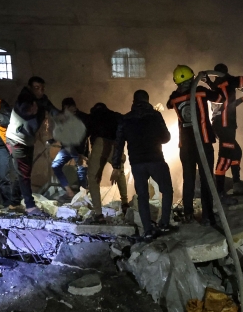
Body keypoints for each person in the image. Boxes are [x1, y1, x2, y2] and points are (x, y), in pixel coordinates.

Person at [112, 90, 173, 238]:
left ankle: (148, 230)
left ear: (134, 101)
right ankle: (164, 224)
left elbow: (118, 143)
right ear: (147, 100)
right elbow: (166, 138)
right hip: (155, 159)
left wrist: (116, 165)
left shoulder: (125, 119)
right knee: (167, 190)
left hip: (137, 163)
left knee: (142, 196)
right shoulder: (155, 115)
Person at [167, 64, 220, 226]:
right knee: (206, 179)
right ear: (192, 79)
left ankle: (188, 213)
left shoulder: (174, 98)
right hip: (202, 142)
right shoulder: (200, 91)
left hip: (185, 145)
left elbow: (169, 104)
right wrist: (209, 81)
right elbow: (220, 98)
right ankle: (207, 215)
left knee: (188, 179)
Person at [207, 63, 243, 201]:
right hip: (225, 125)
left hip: (221, 124)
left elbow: (232, 104)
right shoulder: (226, 81)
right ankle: (220, 192)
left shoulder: (218, 85)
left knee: (236, 152)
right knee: (225, 156)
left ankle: (236, 183)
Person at [85, 102, 129, 219]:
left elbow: (84, 135)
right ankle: (125, 203)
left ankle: (98, 213)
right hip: (115, 145)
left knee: (93, 178)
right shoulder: (115, 116)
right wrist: (121, 154)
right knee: (119, 172)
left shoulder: (93, 117)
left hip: (99, 144)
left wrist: (84, 154)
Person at [6, 89, 43, 214]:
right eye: (37, 88)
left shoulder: (38, 103)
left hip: (27, 142)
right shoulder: (22, 108)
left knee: (22, 172)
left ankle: (14, 203)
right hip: (16, 141)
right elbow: (32, 127)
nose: (41, 91)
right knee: (23, 174)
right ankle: (30, 205)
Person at [49, 98, 90, 199]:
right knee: (55, 165)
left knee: (81, 170)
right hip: (67, 148)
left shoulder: (82, 117)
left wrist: (82, 153)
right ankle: (69, 191)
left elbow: (85, 136)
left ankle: (83, 194)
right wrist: (52, 140)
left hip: (79, 149)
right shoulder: (65, 118)